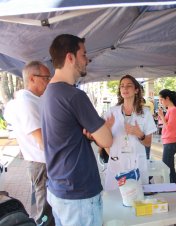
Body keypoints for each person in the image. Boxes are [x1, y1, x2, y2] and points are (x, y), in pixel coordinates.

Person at [41, 34, 113, 226]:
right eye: (83, 54)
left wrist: (89, 135)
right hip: (78, 192)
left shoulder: (49, 92)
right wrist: (100, 131)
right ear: (70, 57)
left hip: (59, 187)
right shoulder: (74, 96)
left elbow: (66, 134)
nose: (87, 59)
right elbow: (107, 140)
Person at [9, 61, 54, 225]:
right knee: (44, 210)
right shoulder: (26, 102)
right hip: (41, 161)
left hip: (44, 161)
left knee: (48, 204)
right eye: (45, 77)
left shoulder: (35, 99)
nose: (48, 81)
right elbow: (41, 140)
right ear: (33, 78)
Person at [103, 75, 157, 190]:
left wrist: (139, 134)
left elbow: (148, 143)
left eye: (129, 86)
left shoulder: (145, 113)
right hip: (116, 164)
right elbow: (103, 141)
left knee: (137, 198)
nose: (125, 88)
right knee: (115, 199)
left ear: (136, 90)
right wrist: (113, 155)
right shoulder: (112, 112)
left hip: (137, 162)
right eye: (122, 86)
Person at [158, 89, 176, 183]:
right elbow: (162, 124)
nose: (161, 102)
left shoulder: (173, 110)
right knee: (169, 167)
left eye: (161, 100)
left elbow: (169, 128)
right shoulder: (170, 110)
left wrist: (162, 117)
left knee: (167, 167)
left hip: (170, 142)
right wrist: (161, 117)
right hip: (168, 142)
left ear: (167, 98)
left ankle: (173, 186)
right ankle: (174, 186)